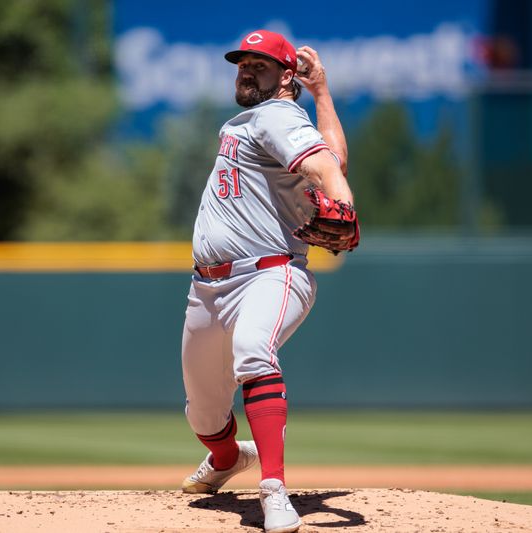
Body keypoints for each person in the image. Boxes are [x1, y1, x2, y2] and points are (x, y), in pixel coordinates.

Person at [180, 30, 358, 533]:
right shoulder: (262, 121)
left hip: (268, 274)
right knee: (203, 413)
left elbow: (325, 167)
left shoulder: (278, 115)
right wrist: (322, 92)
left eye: (259, 64)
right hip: (209, 289)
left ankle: (274, 491)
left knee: (255, 352)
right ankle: (227, 459)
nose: (245, 70)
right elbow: (334, 159)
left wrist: (344, 204)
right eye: (242, 63)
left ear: (286, 77)